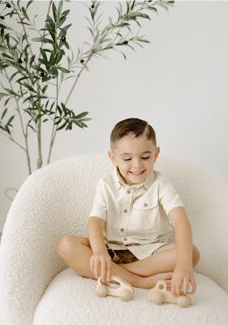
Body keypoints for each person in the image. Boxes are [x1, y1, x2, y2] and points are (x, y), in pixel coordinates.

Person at [56, 118, 199, 299]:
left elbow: (180, 221)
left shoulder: (161, 183)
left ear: (156, 154)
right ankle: (139, 281)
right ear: (112, 158)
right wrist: (100, 252)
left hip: (150, 255)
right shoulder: (105, 184)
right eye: (127, 158)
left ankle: (115, 273)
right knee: (66, 245)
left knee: (191, 253)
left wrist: (184, 264)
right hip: (112, 252)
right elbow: (95, 222)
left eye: (145, 157)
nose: (137, 165)